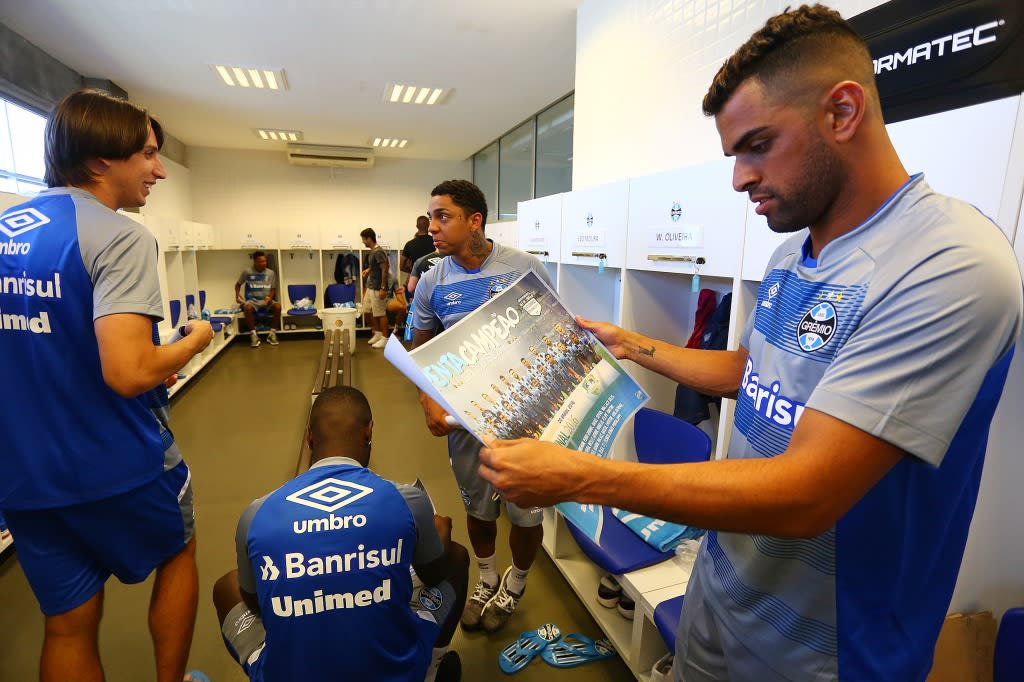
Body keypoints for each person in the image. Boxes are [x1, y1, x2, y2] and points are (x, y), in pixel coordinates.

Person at [476, 5, 1024, 681]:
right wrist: (635, 345)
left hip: (824, 657)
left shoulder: (950, 266)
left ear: (843, 112)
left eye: (757, 145)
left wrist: (580, 477)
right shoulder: (797, 253)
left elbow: (806, 494)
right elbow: (759, 371)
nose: (739, 179)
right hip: (718, 607)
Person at [0, 88, 215, 682]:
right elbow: (129, 373)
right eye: (145, 154)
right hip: (117, 463)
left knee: (66, 625)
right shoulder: (118, 236)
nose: (158, 169)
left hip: (23, 474)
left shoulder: (6, 229)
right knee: (179, 553)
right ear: (100, 161)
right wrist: (195, 339)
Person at [213, 386, 469, 682]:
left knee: (227, 586)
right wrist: (440, 537)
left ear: (309, 436)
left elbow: (257, 604)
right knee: (457, 557)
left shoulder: (256, 514)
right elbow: (433, 573)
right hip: (395, 671)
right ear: (369, 431)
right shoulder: (408, 500)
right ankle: (429, 670)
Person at [411, 179, 553, 635]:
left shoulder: (523, 267)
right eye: (431, 216)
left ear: (475, 220)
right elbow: (421, 348)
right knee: (478, 510)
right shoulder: (433, 280)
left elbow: (555, 331)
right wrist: (428, 402)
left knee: (525, 512)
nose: (432, 226)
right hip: (464, 419)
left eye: (443, 216)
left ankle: (516, 582)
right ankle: (487, 576)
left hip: (524, 414)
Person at [235, 250, 281, 348]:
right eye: (261, 261)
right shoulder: (247, 272)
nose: (264, 263)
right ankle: (254, 335)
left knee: (278, 306)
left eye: (265, 261)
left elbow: (273, 289)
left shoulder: (271, 273)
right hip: (253, 301)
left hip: (266, 300)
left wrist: (270, 298)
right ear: (255, 262)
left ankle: (272, 334)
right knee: (247, 308)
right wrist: (237, 295)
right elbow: (238, 284)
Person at [361, 227, 390, 349]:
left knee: (380, 313)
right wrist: (369, 269)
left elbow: (385, 268)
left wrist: (383, 287)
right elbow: (376, 266)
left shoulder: (378, 251)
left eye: (364, 239)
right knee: (366, 311)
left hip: (378, 287)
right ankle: (377, 333)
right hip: (371, 285)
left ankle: (385, 338)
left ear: (369, 238)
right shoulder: (373, 252)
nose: (363, 242)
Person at [401, 215, 435, 285]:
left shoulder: (409, 244)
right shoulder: (436, 242)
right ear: (429, 226)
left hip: (416, 281)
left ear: (417, 226)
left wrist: (413, 271)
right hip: (433, 281)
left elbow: (401, 266)